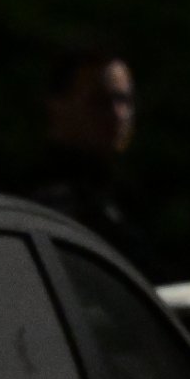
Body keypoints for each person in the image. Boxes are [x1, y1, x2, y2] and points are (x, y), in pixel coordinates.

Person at [25, 45, 176, 282]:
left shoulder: (126, 196)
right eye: (99, 101)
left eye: (124, 100)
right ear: (57, 106)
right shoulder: (40, 199)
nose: (117, 114)